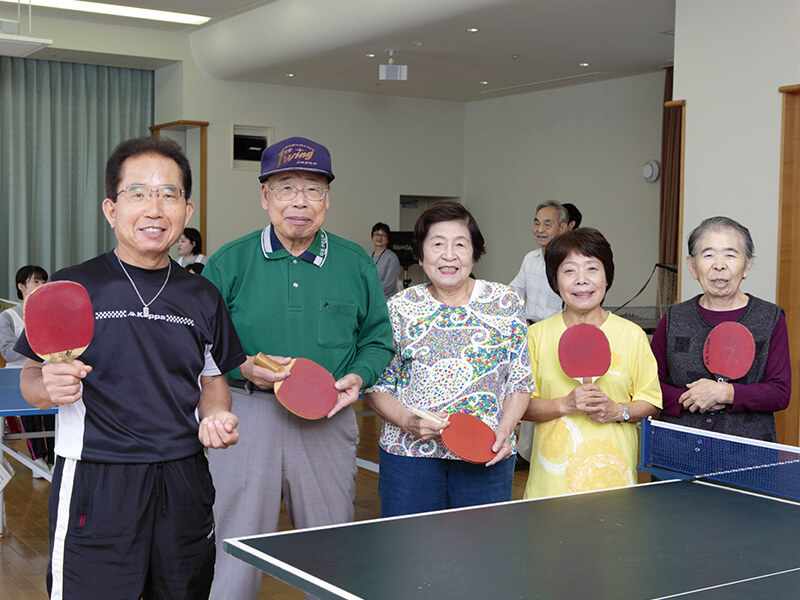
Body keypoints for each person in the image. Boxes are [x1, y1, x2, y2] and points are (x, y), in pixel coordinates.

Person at [16, 136, 246, 599]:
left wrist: (216, 414)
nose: (155, 208)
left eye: (169, 194)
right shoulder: (73, 285)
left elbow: (213, 379)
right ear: (111, 209)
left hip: (184, 477)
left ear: (188, 209)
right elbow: (30, 382)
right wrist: (49, 384)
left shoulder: (202, 295)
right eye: (138, 193)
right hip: (96, 477)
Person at [202, 136, 394, 600]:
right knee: (235, 548)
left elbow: (377, 340)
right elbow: (199, 347)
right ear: (265, 195)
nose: (300, 202)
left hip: (327, 417)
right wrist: (241, 367)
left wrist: (360, 378)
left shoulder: (354, 263)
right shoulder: (229, 262)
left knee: (330, 549)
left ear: (327, 199)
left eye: (313, 189)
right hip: (246, 417)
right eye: (287, 188)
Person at [365, 202, 532, 517]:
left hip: (486, 454)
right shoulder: (398, 307)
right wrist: (407, 422)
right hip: (409, 457)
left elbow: (520, 380)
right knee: (409, 556)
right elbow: (377, 384)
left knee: (480, 557)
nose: (449, 255)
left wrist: (504, 430)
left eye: (460, 244)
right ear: (420, 255)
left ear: (475, 252)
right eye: (437, 244)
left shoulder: (505, 301)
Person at [523, 228, 661, 499]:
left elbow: (651, 403)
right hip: (550, 486)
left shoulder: (632, 335)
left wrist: (617, 410)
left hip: (614, 480)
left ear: (607, 277)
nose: (582, 280)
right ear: (555, 280)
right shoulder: (535, 336)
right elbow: (520, 406)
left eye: (592, 268)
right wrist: (564, 404)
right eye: (569, 270)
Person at [651, 216, 790, 441]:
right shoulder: (673, 318)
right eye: (708, 255)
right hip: (677, 452)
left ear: (748, 265)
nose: (719, 265)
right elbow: (649, 386)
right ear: (692, 266)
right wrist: (693, 397)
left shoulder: (771, 318)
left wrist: (726, 393)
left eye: (730, 254)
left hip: (747, 458)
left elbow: (780, 393)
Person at [509, 200, 569, 468]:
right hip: (531, 333)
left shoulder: (568, 260)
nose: (540, 229)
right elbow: (514, 292)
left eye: (548, 223)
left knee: (550, 393)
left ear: (564, 227)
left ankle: (545, 452)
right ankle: (524, 453)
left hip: (558, 335)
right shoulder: (529, 259)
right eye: (536, 222)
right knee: (526, 391)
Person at [0, 265, 54, 474]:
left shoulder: (52, 314)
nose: (41, 285)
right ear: (21, 286)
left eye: (43, 281)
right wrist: (38, 344)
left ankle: (54, 459)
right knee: (30, 419)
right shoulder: (8, 317)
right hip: (19, 378)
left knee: (53, 418)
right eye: (35, 282)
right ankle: (37, 461)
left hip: (47, 375)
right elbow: (8, 352)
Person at [370, 222, 401, 300]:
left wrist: (367, 290)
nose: (379, 237)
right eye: (377, 234)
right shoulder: (367, 257)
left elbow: (388, 285)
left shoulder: (392, 258)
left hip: (385, 301)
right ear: (372, 237)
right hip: (369, 300)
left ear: (388, 239)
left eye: (383, 235)